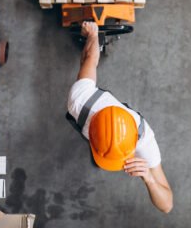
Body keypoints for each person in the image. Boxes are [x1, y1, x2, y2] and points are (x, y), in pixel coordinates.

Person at [67, 21, 173, 213]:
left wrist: (149, 178)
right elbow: (90, 58)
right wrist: (93, 36)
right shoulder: (80, 101)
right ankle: (100, 152)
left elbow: (167, 205)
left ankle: (102, 153)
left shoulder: (145, 141)